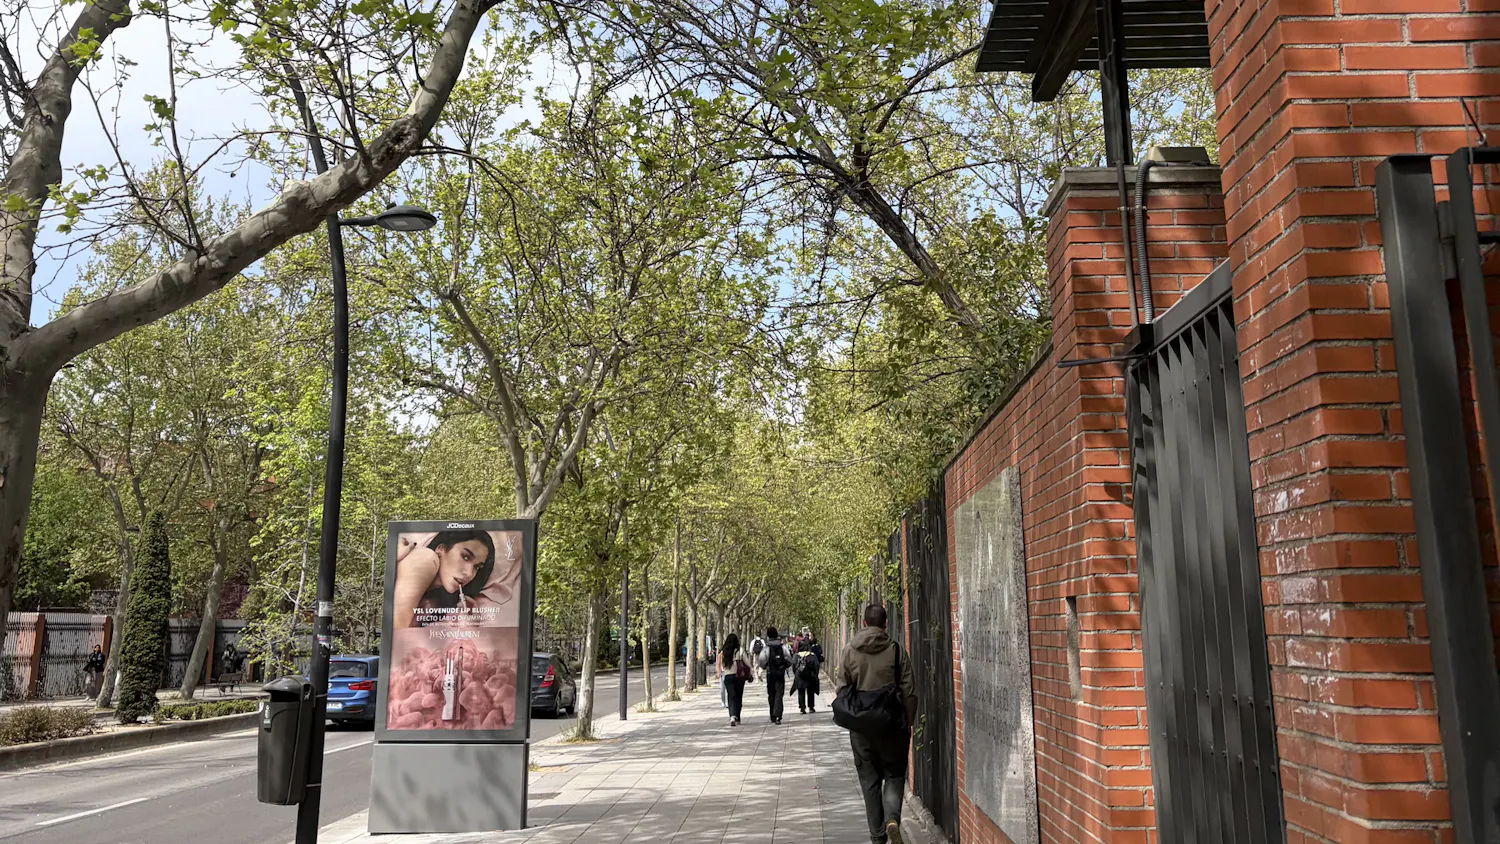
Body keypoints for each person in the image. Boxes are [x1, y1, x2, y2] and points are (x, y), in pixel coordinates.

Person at [840, 605, 917, 844]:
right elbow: (909, 691)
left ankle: (877, 836)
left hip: (862, 729)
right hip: (892, 725)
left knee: (869, 781)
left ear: (863, 623)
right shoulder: (895, 651)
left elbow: (843, 689)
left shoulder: (849, 651)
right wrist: (908, 721)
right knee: (894, 775)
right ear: (885, 625)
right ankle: (892, 819)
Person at [392, 530, 496, 629]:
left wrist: (469, 625)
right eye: (465, 557)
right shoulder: (427, 558)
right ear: (440, 549)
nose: (469, 573)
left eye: (476, 567)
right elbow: (396, 633)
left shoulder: (434, 601)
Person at [757, 626, 792, 724]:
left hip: (770, 674)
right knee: (779, 694)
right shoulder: (783, 647)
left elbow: (762, 662)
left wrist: (763, 669)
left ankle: (772, 715)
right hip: (780, 674)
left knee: (771, 694)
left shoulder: (766, 649)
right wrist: (784, 666)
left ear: (768, 636)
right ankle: (778, 716)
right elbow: (789, 660)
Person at [719, 633, 752, 727]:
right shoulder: (740, 650)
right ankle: (737, 716)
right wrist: (751, 671)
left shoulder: (723, 651)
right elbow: (747, 662)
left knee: (731, 696)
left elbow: (722, 665)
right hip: (739, 676)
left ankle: (732, 716)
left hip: (728, 676)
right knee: (738, 696)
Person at [794, 636, 822, 714]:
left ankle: (802, 707)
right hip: (810, 676)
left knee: (801, 691)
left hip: (800, 677)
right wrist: (815, 674)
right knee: (811, 691)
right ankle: (811, 707)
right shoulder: (812, 655)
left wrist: (797, 674)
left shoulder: (796, 656)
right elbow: (816, 665)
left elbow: (793, 665)